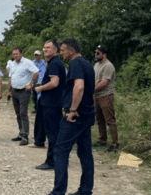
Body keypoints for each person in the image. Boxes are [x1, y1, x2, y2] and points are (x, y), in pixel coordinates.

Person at [49, 38, 95, 195]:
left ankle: (58, 192)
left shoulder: (75, 63)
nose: (61, 53)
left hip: (76, 116)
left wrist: (73, 110)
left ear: (72, 50)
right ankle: (85, 190)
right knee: (85, 153)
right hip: (87, 114)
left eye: (63, 50)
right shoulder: (87, 63)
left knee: (60, 150)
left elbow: (79, 86)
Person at [35, 41, 66, 171]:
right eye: (44, 47)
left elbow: (54, 83)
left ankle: (51, 161)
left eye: (48, 47)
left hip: (52, 104)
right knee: (55, 133)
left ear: (55, 50)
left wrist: (41, 88)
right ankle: (59, 159)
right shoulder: (54, 63)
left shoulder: (54, 63)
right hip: (53, 103)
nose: (45, 49)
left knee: (52, 134)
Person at [7, 48, 39, 146]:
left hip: (24, 91)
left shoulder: (27, 62)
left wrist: (31, 84)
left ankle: (25, 136)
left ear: (21, 54)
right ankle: (21, 133)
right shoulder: (12, 64)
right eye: (13, 54)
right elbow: (10, 78)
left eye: (17, 54)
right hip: (15, 91)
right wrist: (8, 91)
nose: (15, 56)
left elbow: (36, 73)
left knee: (23, 113)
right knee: (18, 113)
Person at [93, 45, 118, 152]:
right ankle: (102, 140)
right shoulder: (96, 64)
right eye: (95, 53)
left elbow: (104, 82)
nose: (95, 55)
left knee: (110, 120)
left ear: (104, 55)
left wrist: (91, 90)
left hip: (106, 96)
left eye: (98, 53)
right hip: (97, 96)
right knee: (99, 119)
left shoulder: (108, 66)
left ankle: (115, 144)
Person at [32, 50, 47, 147]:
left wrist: (42, 86)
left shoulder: (45, 64)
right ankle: (39, 141)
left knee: (44, 120)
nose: (37, 56)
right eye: (35, 55)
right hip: (39, 89)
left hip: (46, 94)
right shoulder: (32, 63)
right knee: (39, 119)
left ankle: (41, 141)